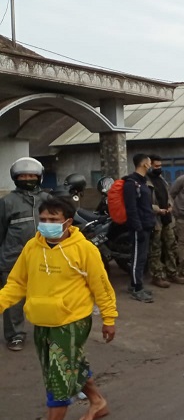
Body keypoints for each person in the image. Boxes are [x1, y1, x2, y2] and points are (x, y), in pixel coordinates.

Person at [0, 197, 117, 420]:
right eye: (43, 219)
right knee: (72, 365)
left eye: (53, 219)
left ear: (68, 222)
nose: (46, 223)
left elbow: (102, 287)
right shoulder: (32, 247)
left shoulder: (84, 250)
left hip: (71, 322)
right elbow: (16, 283)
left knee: (58, 379)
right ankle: (97, 402)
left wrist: (109, 318)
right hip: (41, 321)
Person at [0, 157, 50, 351]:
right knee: (14, 299)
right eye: (23, 175)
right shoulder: (7, 202)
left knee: (45, 296)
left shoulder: (47, 200)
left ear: (39, 177)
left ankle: (47, 331)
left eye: (31, 175)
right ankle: (15, 335)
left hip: (43, 256)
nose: (27, 178)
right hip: (13, 257)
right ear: (15, 178)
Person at [147, 155, 184, 288]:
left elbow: (169, 195)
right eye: (156, 166)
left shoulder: (161, 180)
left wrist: (170, 205)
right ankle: (157, 276)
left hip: (167, 219)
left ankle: (172, 273)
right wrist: (157, 210)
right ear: (149, 165)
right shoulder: (145, 182)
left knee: (171, 246)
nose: (159, 168)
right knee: (156, 249)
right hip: (155, 220)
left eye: (160, 166)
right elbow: (144, 203)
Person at [124, 154, 156, 303]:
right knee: (137, 257)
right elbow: (131, 208)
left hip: (146, 225)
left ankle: (135, 285)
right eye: (149, 163)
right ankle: (137, 289)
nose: (151, 165)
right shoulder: (131, 183)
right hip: (139, 227)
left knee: (142, 257)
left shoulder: (142, 182)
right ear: (144, 164)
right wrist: (137, 227)